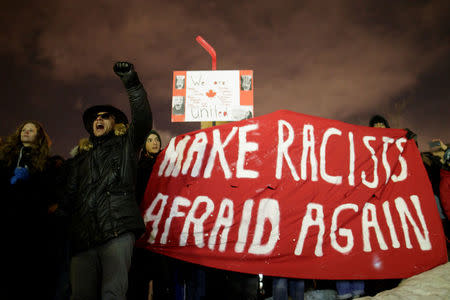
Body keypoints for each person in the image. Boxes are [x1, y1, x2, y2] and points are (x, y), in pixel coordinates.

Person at [63, 61, 152, 300]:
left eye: (105, 116)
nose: (98, 119)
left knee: (112, 293)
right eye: (94, 118)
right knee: (80, 295)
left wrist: (131, 83)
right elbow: (69, 197)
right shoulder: (80, 158)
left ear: (115, 122)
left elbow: (143, 119)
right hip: (84, 238)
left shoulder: (126, 145)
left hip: (117, 230)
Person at [1, 121, 65, 299]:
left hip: (33, 228)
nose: (26, 132)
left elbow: (50, 195)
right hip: (8, 224)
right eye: (24, 129)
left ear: (39, 136)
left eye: (31, 130)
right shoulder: (6, 159)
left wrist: (30, 181)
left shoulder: (47, 164)